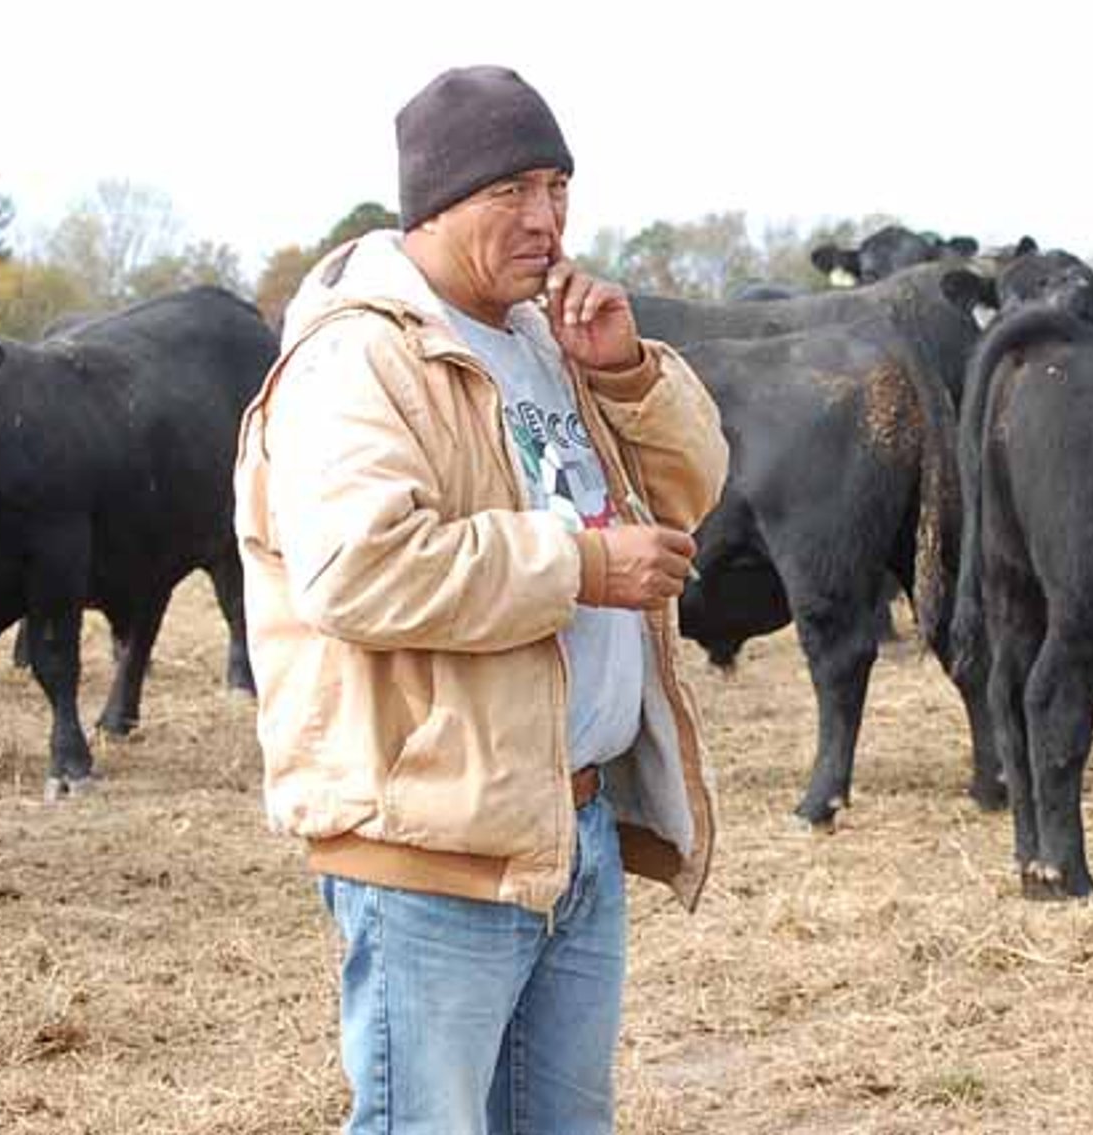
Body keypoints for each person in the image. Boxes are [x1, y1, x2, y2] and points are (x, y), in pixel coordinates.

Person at [232, 64, 728, 1134]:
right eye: (514, 192)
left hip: (569, 823)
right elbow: (358, 569)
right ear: (439, 202)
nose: (546, 220)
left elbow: (694, 484)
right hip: (434, 845)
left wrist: (631, 373)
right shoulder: (359, 359)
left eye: (558, 189)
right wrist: (583, 569)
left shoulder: (548, 341)